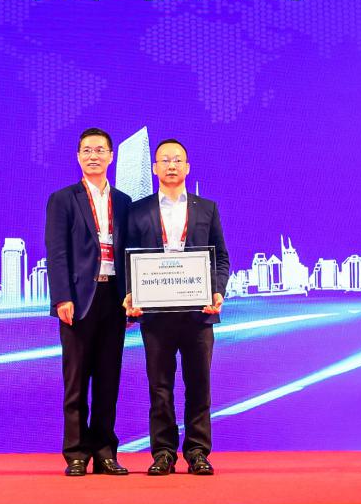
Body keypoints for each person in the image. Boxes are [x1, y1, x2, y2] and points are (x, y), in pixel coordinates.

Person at [124, 139, 229, 476]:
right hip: (155, 315)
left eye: (178, 159)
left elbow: (221, 257)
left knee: (199, 386)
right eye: (165, 160)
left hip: (199, 314)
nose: (171, 165)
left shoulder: (207, 208)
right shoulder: (137, 211)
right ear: (155, 167)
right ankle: (163, 453)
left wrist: (217, 291)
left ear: (187, 167)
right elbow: (129, 259)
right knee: (160, 388)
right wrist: (130, 295)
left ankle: (197, 452)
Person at [45, 128, 133, 477]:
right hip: (79, 300)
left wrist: (133, 297)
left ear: (111, 156)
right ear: (78, 157)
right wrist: (61, 297)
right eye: (86, 150)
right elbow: (57, 252)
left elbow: (130, 253)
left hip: (114, 298)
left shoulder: (124, 202)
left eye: (99, 150)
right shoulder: (63, 199)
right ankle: (76, 453)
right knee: (77, 381)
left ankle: (105, 451)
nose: (93, 156)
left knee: (109, 380)